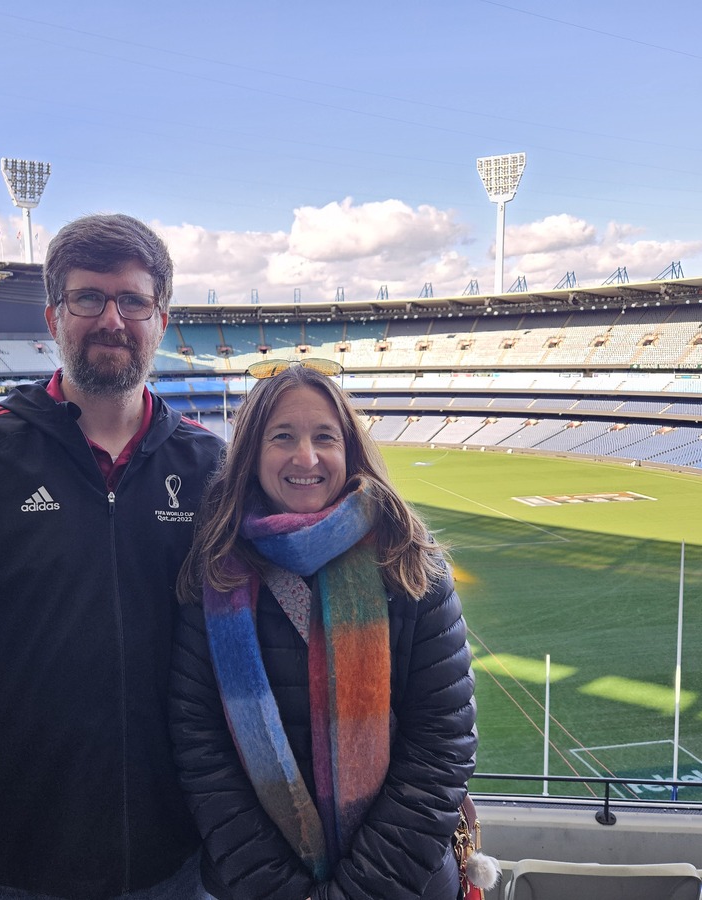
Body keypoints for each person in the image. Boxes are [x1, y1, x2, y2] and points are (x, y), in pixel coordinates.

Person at [0, 214, 225, 900]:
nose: (111, 319)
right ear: (54, 316)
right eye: (88, 298)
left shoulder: (210, 466)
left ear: (160, 319)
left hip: (176, 858)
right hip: (12, 861)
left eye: (133, 300)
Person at [169, 359, 477, 900]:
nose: (305, 457)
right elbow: (201, 748)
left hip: (401, 886)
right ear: (251, 455)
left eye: (324, 437)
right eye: (282, 436)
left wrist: (359, 892)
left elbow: (441, 747)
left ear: (349, 449)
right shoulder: (216, 570)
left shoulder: (409, 564)